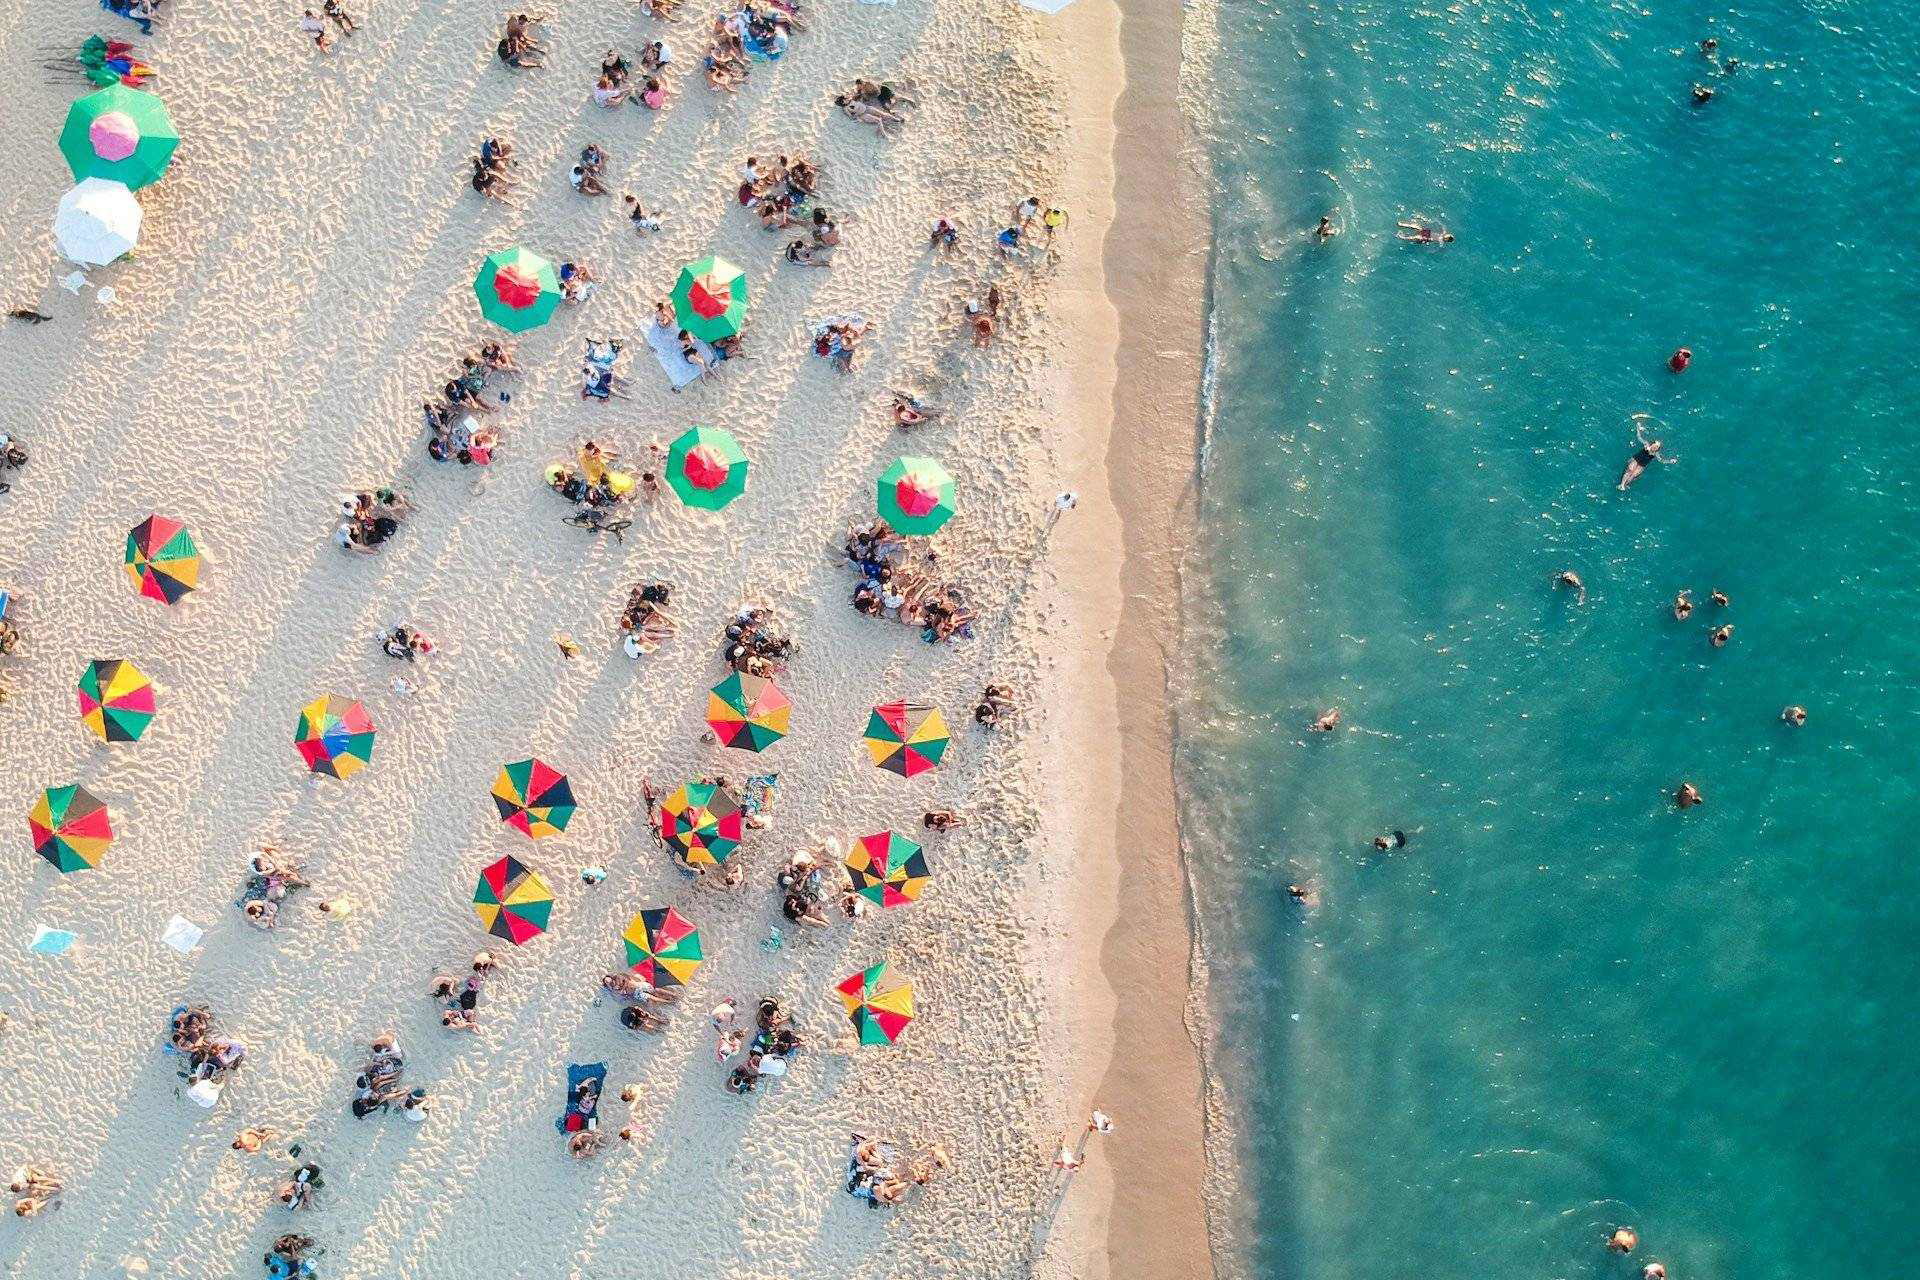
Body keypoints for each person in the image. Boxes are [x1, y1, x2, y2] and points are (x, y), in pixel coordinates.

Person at [1618, 415, 1675, 491]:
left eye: (1657, 446)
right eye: (1655, 445)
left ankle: (1625, 485)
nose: (1655, 447)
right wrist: (1638, 428)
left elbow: (1661, 460)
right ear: (1653, 444)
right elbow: (1639, 437)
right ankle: (1621, 484)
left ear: (1658, 448)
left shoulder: (1655, 454)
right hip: (1636, 459)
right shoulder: (1646, 445)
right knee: (1630, 469)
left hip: (1642, 464)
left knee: (1633, 475)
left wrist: (1670, 461)